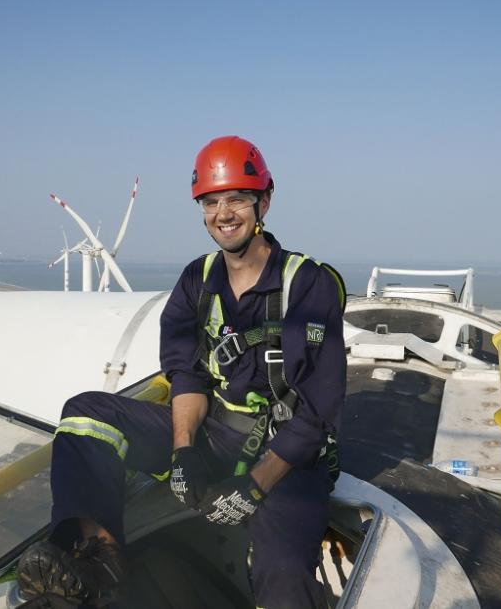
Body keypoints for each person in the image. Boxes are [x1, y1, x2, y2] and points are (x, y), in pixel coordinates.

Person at [17, 135, 346, 609]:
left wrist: (255, 487)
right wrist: (183, 451)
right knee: (85, 417)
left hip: (288, 458)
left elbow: (317, 411)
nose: (223, 213)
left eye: (236, 199)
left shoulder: (307, 285)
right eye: (211, 202)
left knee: (285, 573)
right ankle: (94, 556)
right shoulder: (199, 279)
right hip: (213, 435)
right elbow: (186, 374)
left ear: (264, 202)